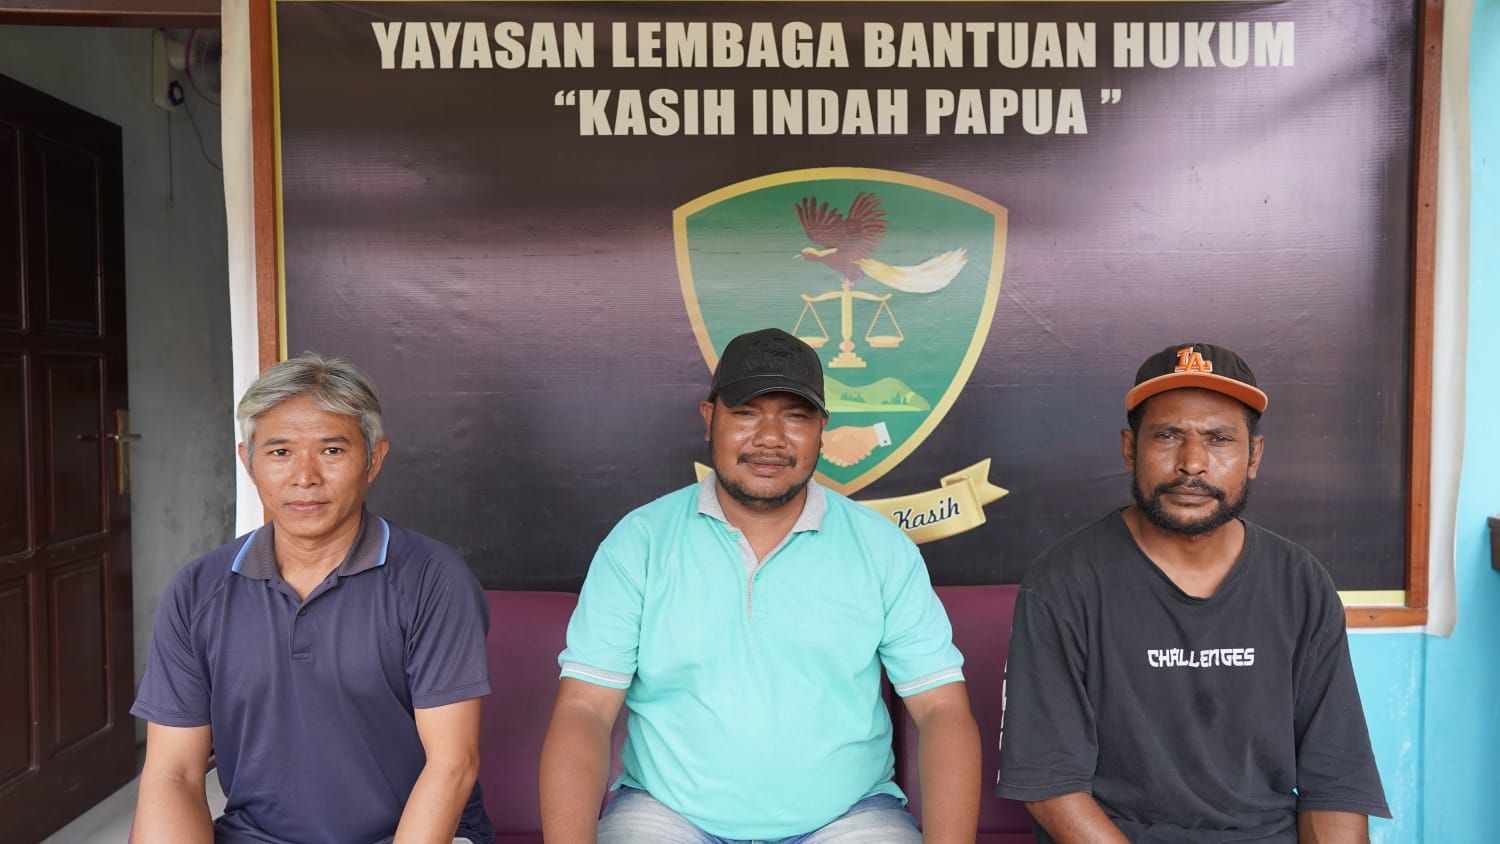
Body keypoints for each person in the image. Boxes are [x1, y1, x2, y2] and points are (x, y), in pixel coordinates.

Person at [539, 327, 981, 843]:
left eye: (795, 416)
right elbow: (585, 710)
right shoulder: (640, 542)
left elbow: (942, 710)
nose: (770, 438)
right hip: (667, 815)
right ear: (710, 419)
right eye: (747, 412)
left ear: (821, 429)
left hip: (849, 818)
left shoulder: (881, 547)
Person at [997, 342, 1391, 843]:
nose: (1192, 464)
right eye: (1167, 436)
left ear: (1254, 456)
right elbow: (1051, 787)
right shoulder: (1062, 582)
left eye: (1219, 439)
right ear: (1129, 449)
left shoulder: (1300, 583)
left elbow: (1335, 783)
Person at [131, 352, 494, 844]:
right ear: (248, 461)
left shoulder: (432, 578)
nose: (304, 477)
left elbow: (453, 764)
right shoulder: (198, 590)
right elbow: (173, 773)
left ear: (374, 458)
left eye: (331, 450)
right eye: (280, 452)